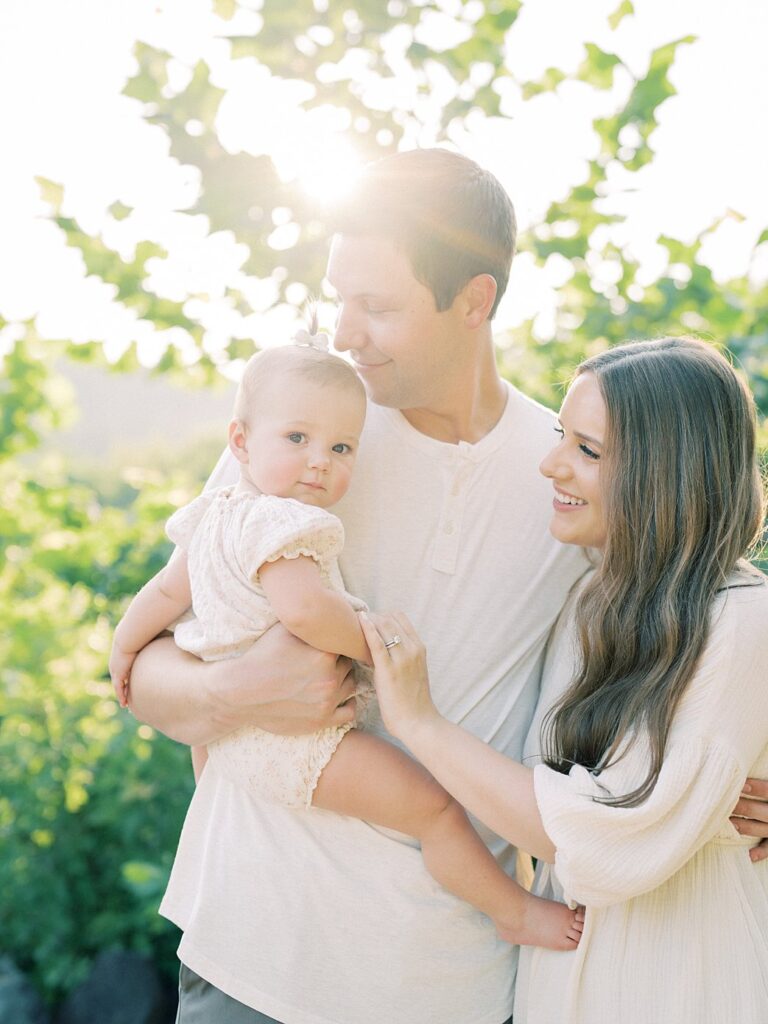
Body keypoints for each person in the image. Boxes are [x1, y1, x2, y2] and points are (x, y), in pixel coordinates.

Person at [126, 149, 768, 1024]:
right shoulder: (311, 440)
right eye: (339, 298)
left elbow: (695, 613)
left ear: (475, 301)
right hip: (257, 956)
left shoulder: (572, 473)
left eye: (378, 307)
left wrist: (727, 783)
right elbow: (144, 674)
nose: (345, 334)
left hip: (456, 983)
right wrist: (233, 689)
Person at [109, 341, 580, 952]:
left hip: (227, 743)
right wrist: (375, 641)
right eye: (297, 439)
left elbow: (164, 592)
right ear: (241, 442)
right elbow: (305, 611)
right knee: (433, 809)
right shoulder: (284, 524)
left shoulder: (213, 516)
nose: (319, 463)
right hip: (293, 738)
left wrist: (124, 648)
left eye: (341, 448)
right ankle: (510, 909)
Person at [360, 336, 768, 1024]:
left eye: (588, 450)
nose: (551, 464)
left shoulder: (741, 620)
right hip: (564, 978)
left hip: (681, 982)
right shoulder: (590, 601)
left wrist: (419, 723)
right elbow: (555, 801)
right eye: (560, 435)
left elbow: (604, 844)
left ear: (665, 472)